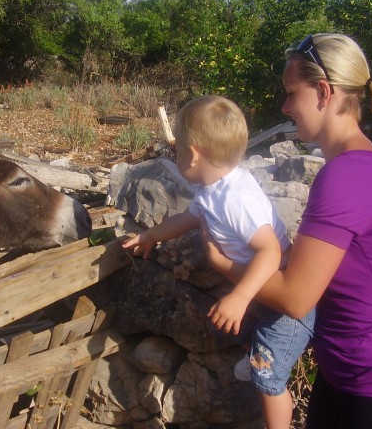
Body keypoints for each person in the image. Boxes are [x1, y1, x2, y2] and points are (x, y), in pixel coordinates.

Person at [202, 33, 372, 429]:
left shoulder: (346, 176)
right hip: (347, 381)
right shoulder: (359, 166)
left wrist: (222, 262)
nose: (285, 106)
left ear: (324, 92)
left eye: (291, 93)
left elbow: (295, 298)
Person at [122, 95, 315, 429]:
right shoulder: (214, 189)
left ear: (193, 154)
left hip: (284, 307)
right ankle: (256, 349)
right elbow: (188, 218)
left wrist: (239, 297)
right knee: (221, 324)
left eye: (178, 149)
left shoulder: (235, 199)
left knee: (267, 378)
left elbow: (269, 251)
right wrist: (151, 236)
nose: (176, 154)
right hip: (260, 295)